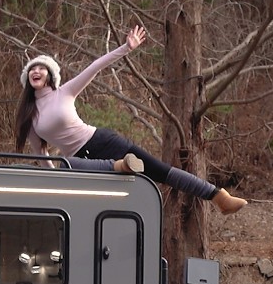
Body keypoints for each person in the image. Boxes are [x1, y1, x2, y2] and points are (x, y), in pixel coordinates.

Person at [14, 25, 247, 214]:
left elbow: (95, 67)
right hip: (78, 161)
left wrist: (126, 48)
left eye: (41, 68)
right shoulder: (30, 118)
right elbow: (41, 155)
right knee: (65, 167)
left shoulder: (64, 92)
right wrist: (56, 182)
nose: (36, 71)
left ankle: (219, 197)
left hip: (102, 141)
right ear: (27, 78)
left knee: (159, 170)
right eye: (32, 69)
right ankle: (121, 167)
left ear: (50, 74)